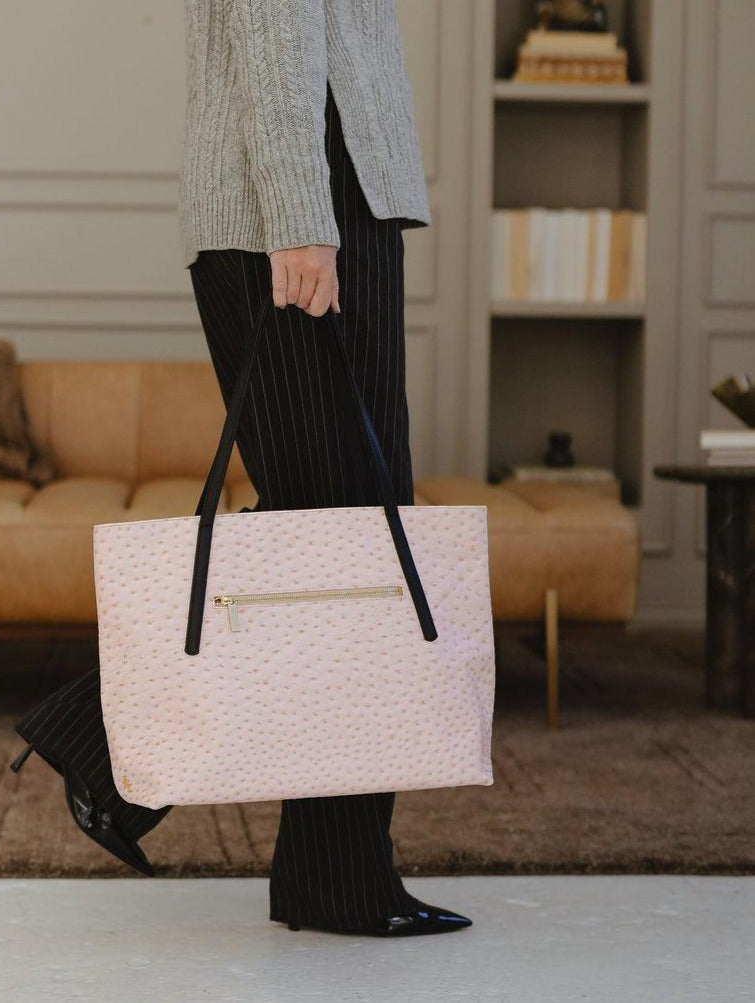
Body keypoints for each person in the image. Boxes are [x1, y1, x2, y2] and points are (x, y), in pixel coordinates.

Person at [179, 1, 473, 937]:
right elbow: (274, 31)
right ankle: (101, 745)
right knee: (350, 550)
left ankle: (332, 871)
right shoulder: (302, 218)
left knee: (342, 546)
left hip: (325, 200)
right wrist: (302, 218)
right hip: (304, 209)